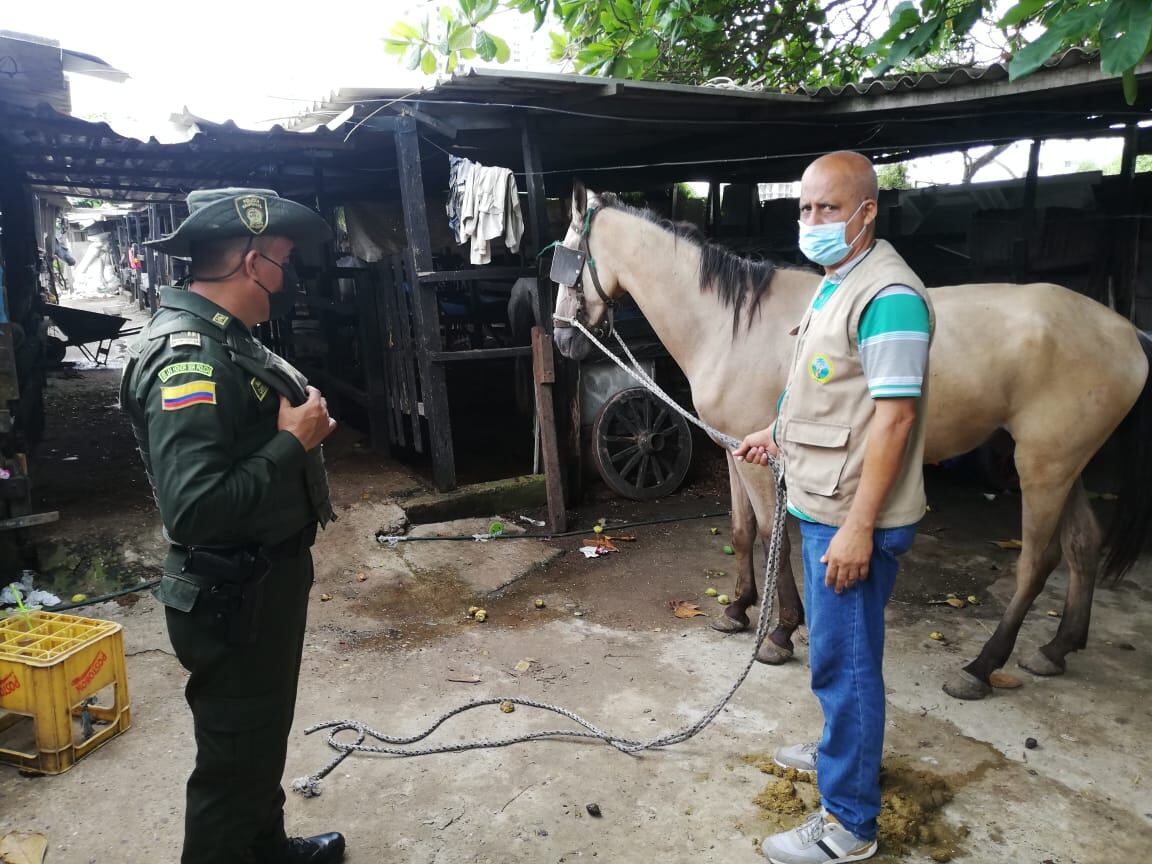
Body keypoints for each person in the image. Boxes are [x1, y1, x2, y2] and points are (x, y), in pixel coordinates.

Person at [120, 188, 345, 864]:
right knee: (231, 763)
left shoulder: (227, 338)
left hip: (260, 582)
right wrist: (292, 443)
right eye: (284, 260)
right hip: (231, 593)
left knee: (257, 740)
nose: (289, 274)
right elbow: (193, 509)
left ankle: (266, 849)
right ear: (254, 263)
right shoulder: (189, 357)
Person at [734, 152, 933, 864]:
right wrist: (775, 432)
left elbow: (895, 420)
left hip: (853, 514)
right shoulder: (836, 284)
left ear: (866, 212)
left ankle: (849, 824)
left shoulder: (891, 297)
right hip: (822, 495)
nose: (810, 221)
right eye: (803, 208)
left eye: (826, 208)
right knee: (833, 657)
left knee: (846, 666)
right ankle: (835, 757)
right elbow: (820, 386)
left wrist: (858, 526)